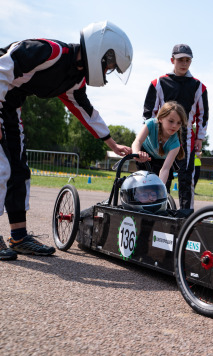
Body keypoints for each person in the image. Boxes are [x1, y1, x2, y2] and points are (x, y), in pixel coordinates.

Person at [0, 21, 133, 260]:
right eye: (110, 65)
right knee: (1, 168)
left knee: (19, 170)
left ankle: (19, 238)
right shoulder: (51, 52)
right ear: (101, 51)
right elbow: (2, 68)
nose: (108, 71)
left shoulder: (75, 80)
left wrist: (112, 144)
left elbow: (86, 111)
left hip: (11, 106)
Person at [143, 44, 208, 211]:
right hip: (161, 133)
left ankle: (186, 214)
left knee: (186, 177)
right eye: (180, 60)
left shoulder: (199, 87)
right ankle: (158, 209)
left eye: (187, 60)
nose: (184, 63)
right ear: (173, 60)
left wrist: (200, 137)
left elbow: (203, 114)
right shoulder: (158, 83)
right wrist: (152, 136)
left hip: (186, 136)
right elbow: (149, 113)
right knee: (163, 175)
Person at [132, 101, 186, 191]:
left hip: (161, 162)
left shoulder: (175, 144)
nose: (174, 126)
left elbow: (165, 169)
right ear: (160, 118)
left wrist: (160, 189)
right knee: (143, 188)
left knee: (162, 190)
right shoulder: (150, 124)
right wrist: (137, 153)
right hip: (145, 156)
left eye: (178, 123)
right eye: (171, 121)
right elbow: (137, 141)